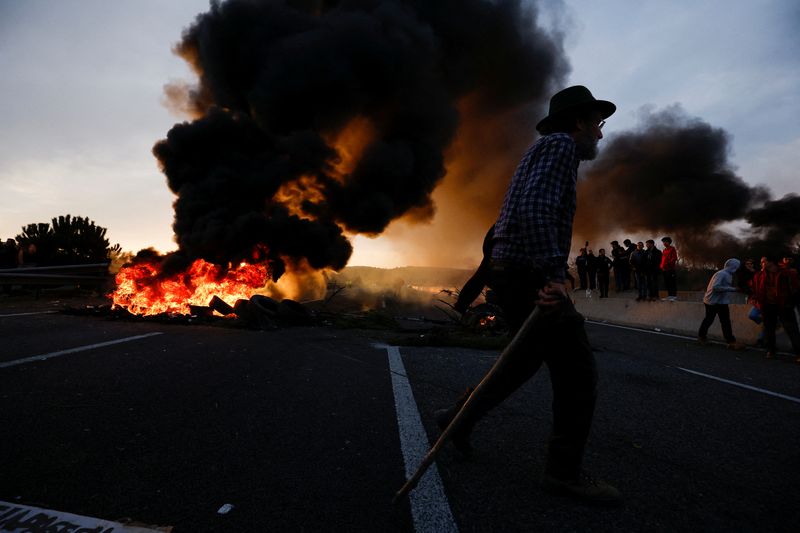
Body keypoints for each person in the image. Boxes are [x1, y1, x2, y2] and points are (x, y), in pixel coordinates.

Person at [434, 85, 621, 503]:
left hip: (514, 273)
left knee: (521, 362)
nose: (600, 135)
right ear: (579, 122)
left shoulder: (546, 149)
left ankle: (457, 418)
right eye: (597, 124)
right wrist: (554, 274)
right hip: (530, 275)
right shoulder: (560, 148)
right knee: (577, 372)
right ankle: (564, 473)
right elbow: (537, 210)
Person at [750, 256, 800, 361]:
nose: (761, 264)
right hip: (767, 306)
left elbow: (795, 288)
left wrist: (791, 302)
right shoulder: (759, 275)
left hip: (784, 306)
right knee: (769, 329)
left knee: (791, 329)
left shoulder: (787, 273)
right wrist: (756, 301)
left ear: (771, 262)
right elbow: (755, 289)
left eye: (763, 262)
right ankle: (771, 350)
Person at [697, 259, 746, 350]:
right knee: (709, 320)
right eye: (737, 267)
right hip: (712, 302)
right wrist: (734, 289)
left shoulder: (728, 275)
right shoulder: (721, 274)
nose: (738, 269)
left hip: (721, 301)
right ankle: (701, 337)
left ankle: (731, 342)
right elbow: (716, 287)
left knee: (725, 321)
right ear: (733, 267)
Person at [454, 225, 495, 314]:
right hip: (508, 266)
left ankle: (461, 306)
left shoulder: (504, 215)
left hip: (493, 255)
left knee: (481, 274)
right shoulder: (529, 212)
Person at [660, 237, 678, 301]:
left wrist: (667, 264)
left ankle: (674, 296)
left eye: (665, 241)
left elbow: (674, 258)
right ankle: (670, 296)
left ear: (669, 242)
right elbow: (662, 260)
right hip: (664, 270)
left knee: (672, 283)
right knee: (667, 283)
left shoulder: (672, 249)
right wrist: (661, 266)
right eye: (663, 242)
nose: (664, 243)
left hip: (671, 269)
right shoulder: (664, 250)